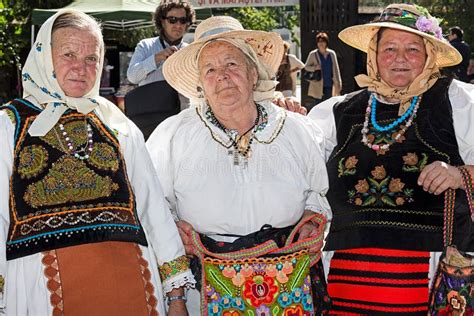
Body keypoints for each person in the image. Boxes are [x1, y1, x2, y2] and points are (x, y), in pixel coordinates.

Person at [0, 10, 195, 315]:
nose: (82, 67)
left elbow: (152, 207)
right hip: (41, 291)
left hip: (130, 285)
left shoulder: (116, 123)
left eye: (92, 58)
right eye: (69, 54)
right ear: (43, 57)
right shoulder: (9, 125)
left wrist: (177, 296)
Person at [146, 16, 332, 315]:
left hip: (289, 286)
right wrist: (176, 298)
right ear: (199, 83)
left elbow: (318, 194)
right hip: (203, 285)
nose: (221, 75)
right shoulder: (172, 136)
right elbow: (156, 213)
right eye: (210, 69)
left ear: (253, 72)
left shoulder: (298, 130)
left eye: (231, 64)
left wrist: (312, 219)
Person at [308, 3, 474, 314]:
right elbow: (299, 168)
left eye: (412, 48)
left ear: (429, 56)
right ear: (374, 54)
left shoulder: (459, 102)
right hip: (347, 276)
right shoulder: (338, 112)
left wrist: (460, 173)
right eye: (389, 48)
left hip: (430, 277)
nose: (399, 58)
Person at [127, 0, 195, 109]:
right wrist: (157, 57)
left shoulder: (190, 51)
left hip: (182, 115)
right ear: (162, 21)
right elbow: (133, 77)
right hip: (151, 114)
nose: (178, 25)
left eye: (183, 20)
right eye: (172, 20)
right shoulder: (146, 45)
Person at [304, 32, 342, 111]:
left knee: (329, 105)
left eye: (323, 41)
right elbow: (306, 67)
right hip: (318, 84)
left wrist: (338, 82)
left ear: (326, 42)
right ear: (317, 43)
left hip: (329, 84)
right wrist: (315, 68)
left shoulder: (332, 53)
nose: (321, 43)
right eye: (319, 41)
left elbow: (336, 69)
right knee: (319, 106)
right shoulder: (313, 54)